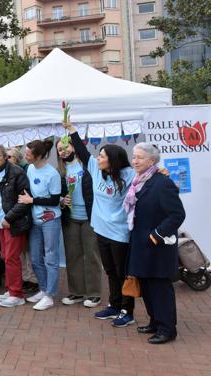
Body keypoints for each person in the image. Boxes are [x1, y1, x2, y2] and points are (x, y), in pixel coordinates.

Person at [65, 122, 137, 327]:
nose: (98, 158)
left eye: (103, 156)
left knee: (123, 273)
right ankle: (114, 306)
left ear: (113, 160)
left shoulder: (129, 175)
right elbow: (81, 150)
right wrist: (71, 129)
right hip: (101, 230)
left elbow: (149, 174)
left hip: (120, 233)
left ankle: (127, 311)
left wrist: (163, 172)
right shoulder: (96, 170)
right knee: (110, 272)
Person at [125, 143, 185, 344]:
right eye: (134, 157)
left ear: (152, 161)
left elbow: (177, 214)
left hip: (157, 246)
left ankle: (168, 329)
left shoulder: (163, 183)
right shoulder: (137, 182)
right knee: (147, 286)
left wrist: (157, 235)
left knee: (160, 288)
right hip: (141, 245)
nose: (135, 161)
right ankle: (154, 321)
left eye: (140, 158)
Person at [55, 138, 102, 308]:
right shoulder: (59, 172)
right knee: (73, 256)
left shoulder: (89, 166)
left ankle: (94, 293)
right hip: (71, 218)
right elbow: (55, 195)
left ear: (74, 147)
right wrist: (61, 200)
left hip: (90, 218)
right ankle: (77, 292)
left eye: (66, 147)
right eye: (60, 149)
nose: (63, 151)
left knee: (92, 256)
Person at [17, 140, 62, 311]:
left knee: (51, 258)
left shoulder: (52, 174)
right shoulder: (29, 168)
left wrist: (32, 200)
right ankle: (43, 289)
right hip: (34, 220)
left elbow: (55, 200)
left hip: (50, 220)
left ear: (39, 156)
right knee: (35, 258)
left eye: (28, 154)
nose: (25, 156)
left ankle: (50, 295)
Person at [0, 144, 31, 309]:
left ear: (5, 156)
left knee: (12, 257)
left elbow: (25, 201)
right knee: (6, 256)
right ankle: (11, 289)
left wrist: (9, 218)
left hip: (14, 223)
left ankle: (17, 294)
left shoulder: (17, 172)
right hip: (0, 222)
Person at [5, 147, 38, 293]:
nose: (8, 159)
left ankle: (33, 279)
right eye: (7, 157)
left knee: (29, 251)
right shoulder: (7, 174)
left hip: (25, 217)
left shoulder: (24, 173)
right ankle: (25, 278)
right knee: (20, 252)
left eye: (11, 157)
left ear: (17, 159)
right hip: (14, 219)